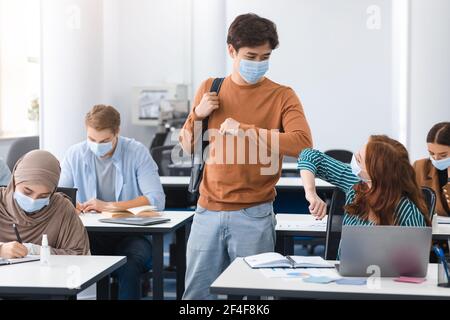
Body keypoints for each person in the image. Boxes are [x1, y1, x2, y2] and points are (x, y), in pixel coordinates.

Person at [179, 13, 313, 299]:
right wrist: (197, 114)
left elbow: (302, 145)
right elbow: (188, 147)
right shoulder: (210, 88)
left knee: (256, 298)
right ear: (231, 51)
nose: (258, 63)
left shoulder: (282, 96)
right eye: (251, 55)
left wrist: (246, 131)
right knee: (197, 296)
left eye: (265, 57)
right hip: (207, 212)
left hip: (254, 215)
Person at [59, 104, 165, 300]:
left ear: (117, 132)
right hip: (89, 235)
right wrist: (72, 205)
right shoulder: (75, 154)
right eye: (92, 139)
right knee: (65, 259)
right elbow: (60, 197)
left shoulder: (136, 152)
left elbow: (156, 200)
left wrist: (109, 206)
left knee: (130, 264)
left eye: (105, 140)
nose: (98, 145)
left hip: (132, 235)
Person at [298, 135, 429, 233]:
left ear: (375, 173)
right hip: (345, 268)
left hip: (386, 270)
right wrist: (311, 193)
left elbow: (414, 262)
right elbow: (309, 155)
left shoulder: (407, 211)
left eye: (359, 159)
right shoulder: (355, 182)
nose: (354, 159)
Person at [0, 150, 89, 259]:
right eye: (27, 192)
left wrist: (36, 250)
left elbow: (82, 256)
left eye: (43, 196)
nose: (33, 200)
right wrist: (1, 249)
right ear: (14, 181)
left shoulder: (61, 208)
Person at [413, 122, 450, 216]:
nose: (436, 158)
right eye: (432, 153)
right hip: (429, 229)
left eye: (443, 155)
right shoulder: (420, 167)